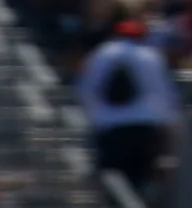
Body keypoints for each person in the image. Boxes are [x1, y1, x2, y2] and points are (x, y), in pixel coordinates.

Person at [77, 18, 180, 195]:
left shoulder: (102, 53)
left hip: (110, 127)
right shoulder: (151, 55)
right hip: (145, 126)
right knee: (139, 181)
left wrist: (95, 119)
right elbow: (165, 95)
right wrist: (169, 127)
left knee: (112, 181)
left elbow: (85, 90)